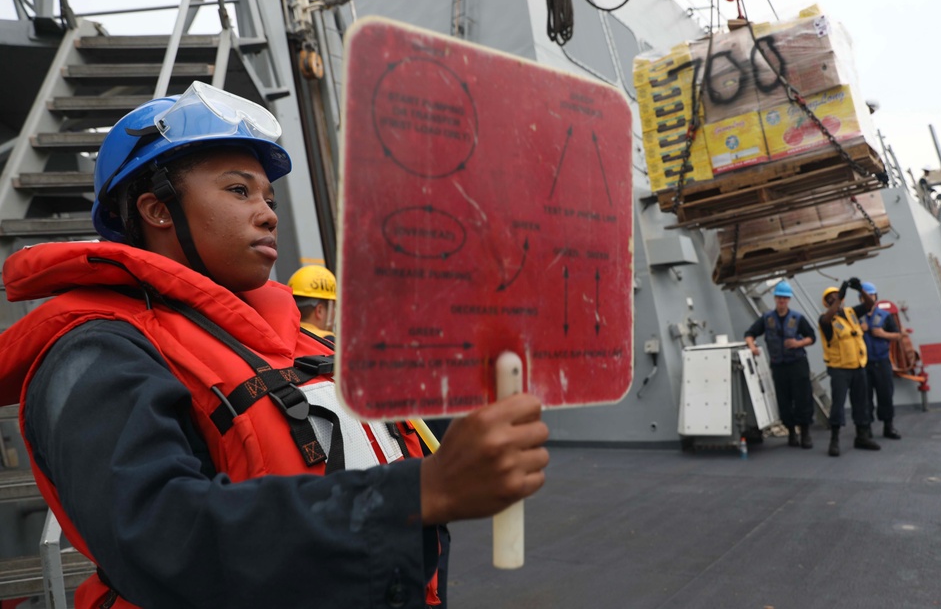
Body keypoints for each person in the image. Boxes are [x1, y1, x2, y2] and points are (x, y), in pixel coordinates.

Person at [0, 83, 549, 608]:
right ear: (157, 210)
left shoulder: (291, 331)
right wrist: (420, 493)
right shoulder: (95, 352)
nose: (267, 212)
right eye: (239, 191)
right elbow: (158, 538)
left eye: (268, 196)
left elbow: (379, 437)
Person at [743, 280, 817, 449]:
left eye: (784, 298)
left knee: (802, 398)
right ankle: (791, 432)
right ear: (775, 298)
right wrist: (752, 347)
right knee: (784, 400)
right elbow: (750, 333)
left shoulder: (798, 318)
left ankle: (805, 433)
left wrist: (798, 344)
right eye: (779, 298)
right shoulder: (767, 318)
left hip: (797, 364)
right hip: (779, 366)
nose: (781, 301)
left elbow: (812, 337)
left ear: (788, 300)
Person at [818, 278, 881, 457]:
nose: (834, 299)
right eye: (830, 298)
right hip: (839, 369)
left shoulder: (852, 312)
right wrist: (840, 298)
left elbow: (870, 304)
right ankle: (834, 440)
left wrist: (860, 289)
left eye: (836, 296)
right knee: (838, 404)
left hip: (858, 366)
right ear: (827, 303)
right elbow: (828, 317)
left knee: (861, 402)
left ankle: (862, 436)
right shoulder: (825, 319)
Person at [855, 282, 904, 440]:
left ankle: (888, 426)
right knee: (864, 397)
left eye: (871, 296)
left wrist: (883, 334)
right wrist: (857, 330)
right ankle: (866, 428)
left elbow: (897, 335)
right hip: (863, 364)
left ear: (876, 297)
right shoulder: (854, 317)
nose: (868, 299)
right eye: (864, 297)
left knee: (886, 394)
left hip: (882, 362)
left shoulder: (885, 316)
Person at [288, 264, 337, 339]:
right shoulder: (330, 342)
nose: (334, 313)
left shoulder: (281, 335)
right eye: (333, 307)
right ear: (319, 310)